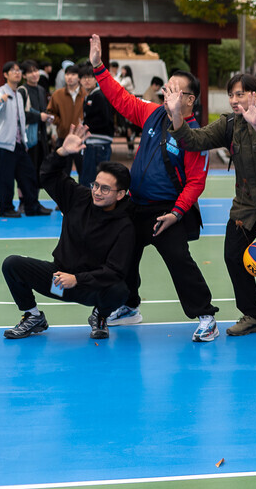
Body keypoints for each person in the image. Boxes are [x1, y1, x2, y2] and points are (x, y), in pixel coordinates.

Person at [89, 36, 219, 341]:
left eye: (174, 89)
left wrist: (175, 214)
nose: (166, 92)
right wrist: (98, 66)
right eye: (167, 87)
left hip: (167, 211)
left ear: (189, 99)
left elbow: (196, 182)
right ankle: (129, 307)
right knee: (123, 255)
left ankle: (206, 317)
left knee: (178, 260)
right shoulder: (151, 113)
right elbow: (120, 98)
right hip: (135, 205)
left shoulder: (196, 136)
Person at [167, 72, 256, 340]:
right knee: (233, 255)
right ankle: (253, 315)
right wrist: (176, 114)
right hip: (246, 205)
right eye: (231, 94)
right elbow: (193, 141)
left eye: (239, 94)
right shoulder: (229, 124)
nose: (233, 99)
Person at [0, 125, 133, 340]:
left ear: (120, 195)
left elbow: (113, 271)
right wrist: (62, 152)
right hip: (58, 282)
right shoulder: (79, 197)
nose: (97, 192)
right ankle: (33, 317)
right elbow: (48, 176)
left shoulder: (124, 227)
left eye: (105, 189)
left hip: (90, 289)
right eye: (95, 185)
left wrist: (77, 280)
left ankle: (100, 316)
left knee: (119, 291)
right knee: (12, 264)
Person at [0, 62, 46, 218]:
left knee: (28, 174)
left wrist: (25, 140)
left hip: (19, 143)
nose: (17, 73)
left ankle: (32, 207)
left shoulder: (18, 95)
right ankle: (5, 208)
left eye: (18, 71)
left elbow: (21, 119)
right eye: (13, 71)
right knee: (5, 178)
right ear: (5, 75)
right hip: (3, 144)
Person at [78, 64, 116, 188]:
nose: (86, 80)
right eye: (83, 77)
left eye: (90, 77)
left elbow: (105, 119)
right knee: (90, 179)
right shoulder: (89, 96)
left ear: (96, 79)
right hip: (93, 142)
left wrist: (85, 127)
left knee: (94, 180)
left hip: (99, 143)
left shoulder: (99, 95)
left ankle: (91, 206)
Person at [47, 63, 86, 176]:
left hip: (82, 139)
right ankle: (64, 194)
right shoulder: (57, 94)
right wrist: (60, 123)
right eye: (67, 74)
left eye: (73, 74)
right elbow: (50, 113)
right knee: (63, 173)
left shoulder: (85, 93)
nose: (69, 77)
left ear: (79, 77)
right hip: (63, 138)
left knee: (84, 173)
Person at [16, 60, 54, 178]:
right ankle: (27, 197)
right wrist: (39, 117)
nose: (34, 74)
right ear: (24, 75)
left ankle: (34, 196)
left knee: (40, 173)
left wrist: (47, 117)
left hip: (41, 138)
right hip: (27, 139)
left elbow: (44, 112)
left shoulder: (41, 90)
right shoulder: (22, 91)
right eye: (30, 72)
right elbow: (18, 116)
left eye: (36, 70)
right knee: (27, 173)